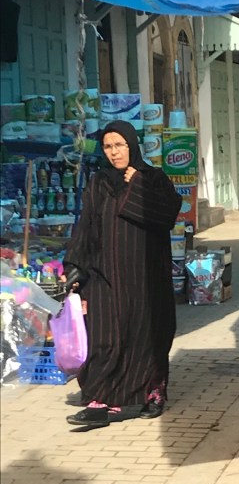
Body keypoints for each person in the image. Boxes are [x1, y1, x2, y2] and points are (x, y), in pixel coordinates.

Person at [64, 121, 182, 431]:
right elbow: (87, 224)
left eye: (119, 145)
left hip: (144, 275)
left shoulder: (154, 178)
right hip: (103, 273)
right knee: (105, 335)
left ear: (132, 145)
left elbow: (166, 216)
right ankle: (101, 399)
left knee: (145, 336)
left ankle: (151, 394)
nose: (114, 152)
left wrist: (138, 184)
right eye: (108, 147)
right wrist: (75, 265)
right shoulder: (99, 182)